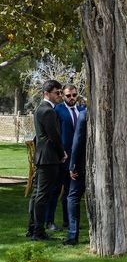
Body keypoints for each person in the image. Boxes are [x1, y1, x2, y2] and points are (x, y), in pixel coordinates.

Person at [27, 80, 65, 241]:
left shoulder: (40, 109)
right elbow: (54, 136)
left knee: (36, 195)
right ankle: (38, 232)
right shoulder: (48, 111)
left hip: (43, 157)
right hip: (49, 158)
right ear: (46, 93)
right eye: (57, 92)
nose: (60, 95)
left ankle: (32, 228)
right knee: (42, 196)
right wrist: (62, 152)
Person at [49, 84, 82, 231]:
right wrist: (60, 153)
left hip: (76, 158)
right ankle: (49, 221)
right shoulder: (57, 110)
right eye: (68, 95)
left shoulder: (82, 110)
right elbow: (54, 134)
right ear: (63, 95)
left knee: (71, 192)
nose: (71, 98)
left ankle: (68, 221)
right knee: (55, 190)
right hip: (61, 157)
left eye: (74, 95)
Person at [64, 107, 87, 245]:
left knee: (73, 197)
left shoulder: (85, 114)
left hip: (83, 164)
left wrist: (72, 165)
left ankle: (73, 234)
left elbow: (77, 140)